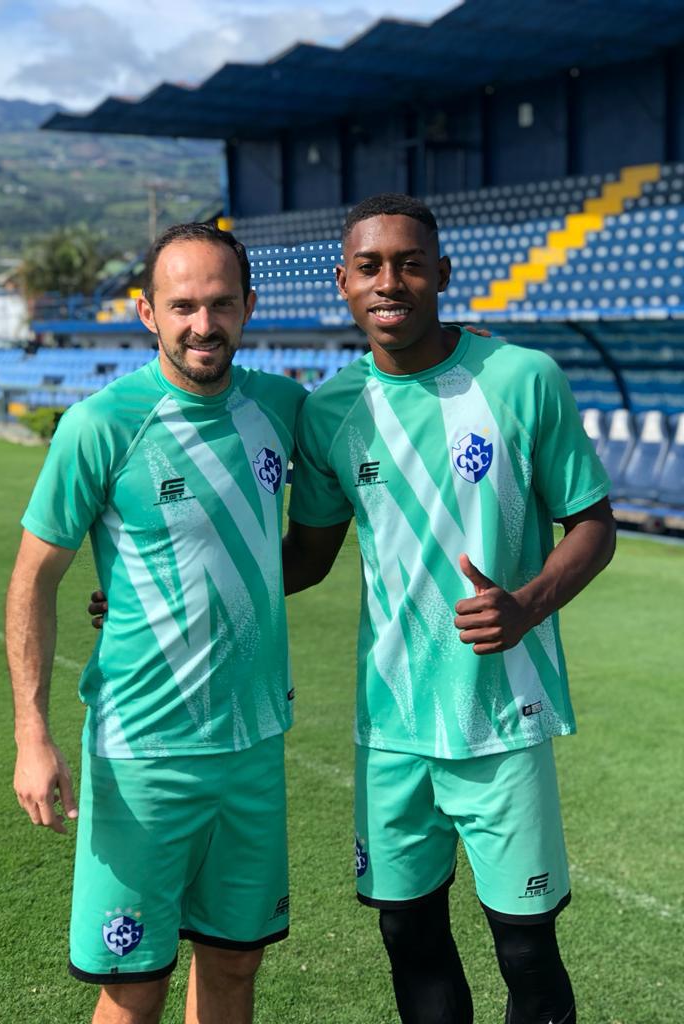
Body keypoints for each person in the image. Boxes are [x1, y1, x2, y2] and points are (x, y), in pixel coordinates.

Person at [281, 193, 616, 1024]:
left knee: (528, 946)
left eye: (409, 262)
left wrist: (528, 605)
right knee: (410, 935)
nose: (389, 280)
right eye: (370, 266)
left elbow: (594, 525)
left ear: (442, 274)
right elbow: (307, 558)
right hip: (390, 725)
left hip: (502, 717)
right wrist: (181, 588)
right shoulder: (329, 412)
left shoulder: (521, 378)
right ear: (343, 283)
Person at [5, 222, 308, 1024]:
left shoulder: (282, 408)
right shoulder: (101, 425)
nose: (202, 325)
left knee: (237, 968)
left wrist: (450, 345)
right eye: (182, 307)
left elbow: (381, 406)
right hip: (143, 754)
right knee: (134, 987)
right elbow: (33, 581)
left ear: (249, 306)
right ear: (147, 312)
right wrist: (31, 732)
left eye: (219, 305)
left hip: (252, 746)